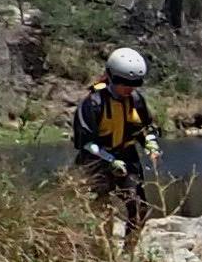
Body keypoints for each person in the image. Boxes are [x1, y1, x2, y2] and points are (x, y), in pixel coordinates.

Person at [68, 47, 161, 245]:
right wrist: (109, 160)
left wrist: (151, 144)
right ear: (110, 76)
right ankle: (102, 251)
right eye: (124, 83)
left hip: (126, 155)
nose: (129, 88)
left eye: (135, 83)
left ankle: (129, 252)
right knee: (101, 208)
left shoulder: (136, 100)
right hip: (96, 159)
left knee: (139, 206)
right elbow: (84, 143)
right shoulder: (92, 102)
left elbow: (146, 128)